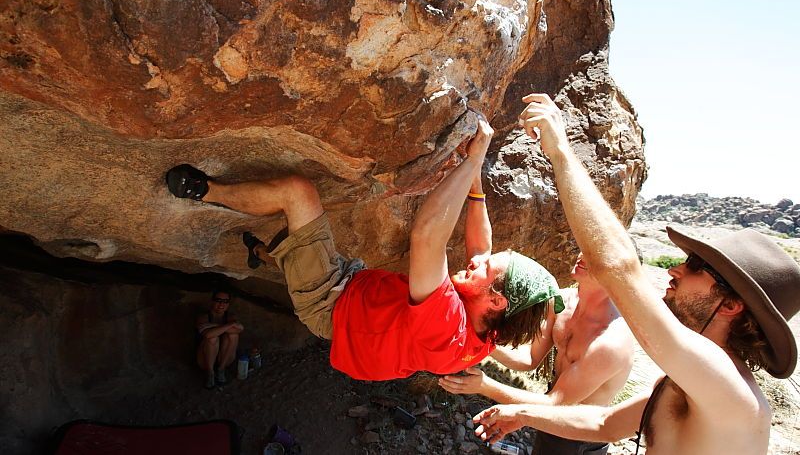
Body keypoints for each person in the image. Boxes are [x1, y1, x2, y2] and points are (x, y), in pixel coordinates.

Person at [474, 93, 800, 455]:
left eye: (696, 267)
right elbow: (604, 424)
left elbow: (618, 267)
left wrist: (561, 152)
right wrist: (523, 414)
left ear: (730, 306)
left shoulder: (728, 390)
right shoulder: (685, 383)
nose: (676, 269)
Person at [166, 113, 564, 381]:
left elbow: (428, 235)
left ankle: (204, 191)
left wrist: (473, 160)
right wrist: (475, 183)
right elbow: (481, 246)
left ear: (497, 300)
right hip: (354, 287)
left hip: (329, 302)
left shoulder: (447, 329)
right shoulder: (490, 331)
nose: (478, 261)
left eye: (488, 268)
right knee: (293, 254)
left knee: (298, 194)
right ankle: (259, 253)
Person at [440, 252, 635, 455]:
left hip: (579, 436)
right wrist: (480, 341)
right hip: (551, 414)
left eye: (596, 256)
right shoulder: (563, 302)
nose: (583, 256)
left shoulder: (609, 343)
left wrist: (484, 386)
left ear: (616, 275)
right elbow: (529, 359)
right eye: (585, 248)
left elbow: (557, 402)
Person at [196, 289, 244, 389]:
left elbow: (239, 330)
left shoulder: (230, 317)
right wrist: (230, 325)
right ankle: (210, 373)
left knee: (233, 336)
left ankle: (221, 369)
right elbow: (208, 335)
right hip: (205, 360)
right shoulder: (204, 317)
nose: (222, 304)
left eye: (225, 301)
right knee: (212, 339)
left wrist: (213, 326)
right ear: (212, 301)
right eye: (218, 300)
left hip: (224, 359)